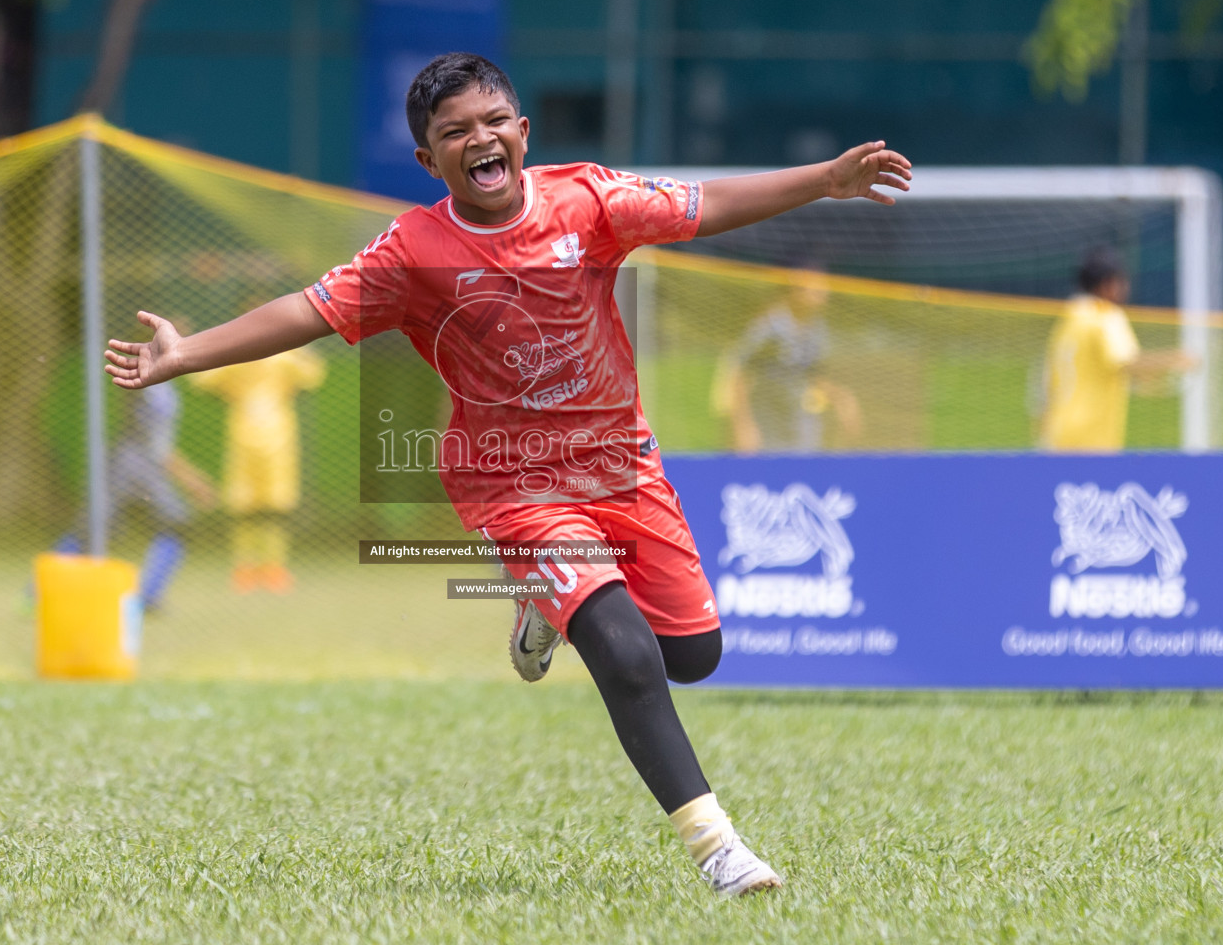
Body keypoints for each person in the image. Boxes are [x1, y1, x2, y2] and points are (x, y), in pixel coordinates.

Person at [104, 52, 910, 896]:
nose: (478, 140)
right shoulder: (413, 249)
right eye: (454, 132)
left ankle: (538, 611)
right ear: (430, 160)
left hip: (620, 466)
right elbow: (307, 310)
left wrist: (827, 178)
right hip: (511, 483)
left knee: (694, 655)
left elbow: (705, 206)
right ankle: (720, 850)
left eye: (492, 123)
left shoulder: (588, 200)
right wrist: (186, 352)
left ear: (522, 134)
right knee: (626, 654)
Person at [47, 377, 216, 611]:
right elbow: (155, 445)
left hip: (140, 466)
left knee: (174, 526)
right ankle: (38, 592)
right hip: (132, 466)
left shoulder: (164, 387)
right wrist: (191, 480)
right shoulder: (150, 386)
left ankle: (148, 595)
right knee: (90, 529)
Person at [189, 345, 324, 593]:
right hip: (246, 437)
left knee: (275, 506)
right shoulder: (238, 356)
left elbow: (312, 376)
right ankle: (245, 567)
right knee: (244, 507)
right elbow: (203, 381)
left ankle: (274, 566)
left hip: (277, 439)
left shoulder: (280, 356)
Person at [1041, 247, 1193, 452]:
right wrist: (1177, 359)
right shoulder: (1106, 315)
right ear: (1108, 284)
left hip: (1056, 431)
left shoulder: (1069, 316)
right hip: (1091, 436)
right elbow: (1129, 362)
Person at [711, 260, 862, 453]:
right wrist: (744, 425)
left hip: (797, 419)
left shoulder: (817, 328)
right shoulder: (771, 326)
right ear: (796, 290)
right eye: (817, 289)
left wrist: (841, 398)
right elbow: (741, 374)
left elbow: (812, 375)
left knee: (803, 472)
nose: (824, 294)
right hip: (764, 417)